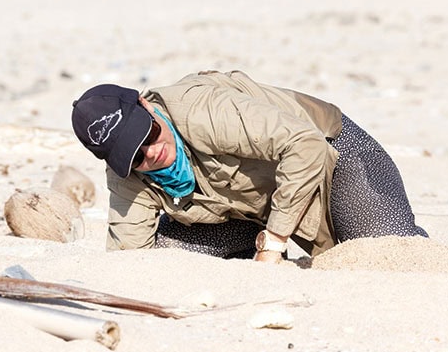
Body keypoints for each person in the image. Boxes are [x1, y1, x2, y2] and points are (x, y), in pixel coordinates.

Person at [70, 70, 427, 263]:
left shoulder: (202, 110)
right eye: (134, 154)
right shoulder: (126, 174)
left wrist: (274, 242)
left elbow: (306, 146)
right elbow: (129, 263)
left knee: (390, 253)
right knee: (164, 257)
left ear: (147, 106)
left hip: (333, 156)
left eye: (147, 133)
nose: (150, 152)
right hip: (253, 211)